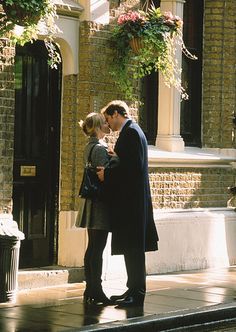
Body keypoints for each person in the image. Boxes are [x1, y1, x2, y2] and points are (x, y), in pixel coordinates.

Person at [97, 100, 159, 308]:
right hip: (133, 202)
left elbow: (131, 169)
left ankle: (137, 294)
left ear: (116, 114)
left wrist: (107, 173)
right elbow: (131, 161)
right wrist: (118, 156)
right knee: (132, 248)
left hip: (131, 203)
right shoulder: (134, 131)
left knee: (133, 249)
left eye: (108, 119)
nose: (109, 125)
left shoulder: (130, 132)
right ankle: (132, 289)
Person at [76, 112, 115, 305]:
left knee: (92, 247)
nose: (108, 126)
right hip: (100, 204)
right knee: (97, 248)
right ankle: (96, 290)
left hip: (90, 202)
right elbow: (105, 177)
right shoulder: (100, 148)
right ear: (99, 127)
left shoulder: (89, 146)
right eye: (105, 124)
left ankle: (89, 288)